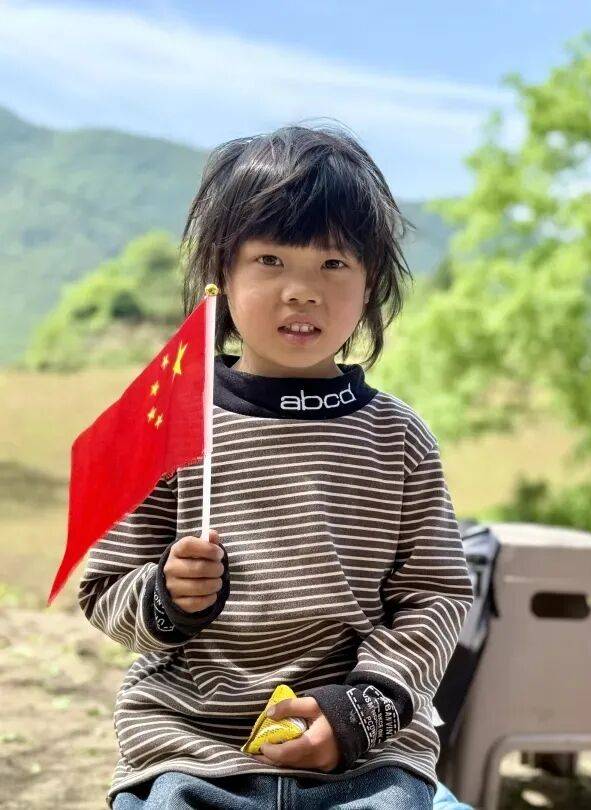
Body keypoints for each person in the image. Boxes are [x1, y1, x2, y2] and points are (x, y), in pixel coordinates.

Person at [78, 125, 473, 808]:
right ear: (222, 276)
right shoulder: (175, 421)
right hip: (189, 745)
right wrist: (167, 597)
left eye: (333, 264)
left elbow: (436, 596)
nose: (301, 291)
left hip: (363, 757)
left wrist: (358, 713)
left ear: (370, 285)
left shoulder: (398, 438)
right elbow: (106, 591)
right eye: (269, 260)